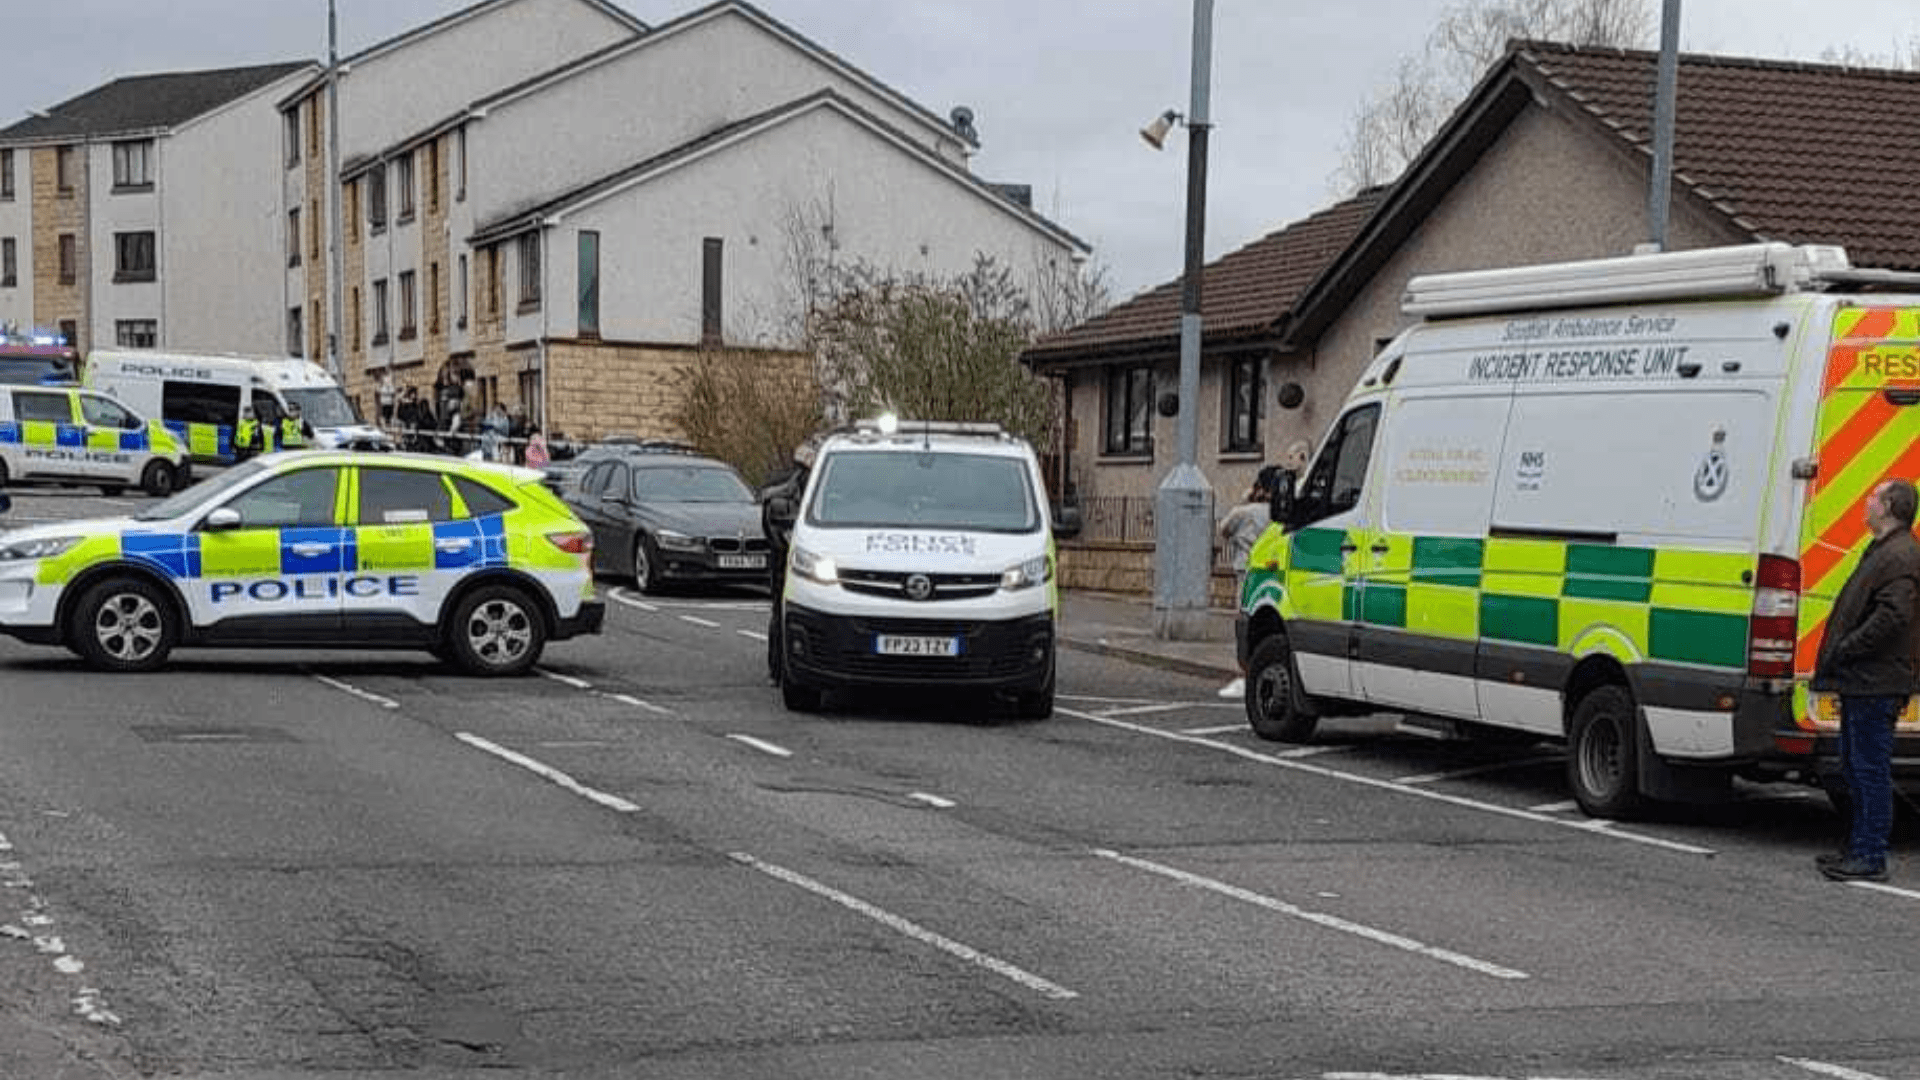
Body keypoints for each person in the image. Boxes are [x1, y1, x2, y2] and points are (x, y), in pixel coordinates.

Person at [1811, 477, 1920, 883]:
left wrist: (1849, 647)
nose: (1866, 501)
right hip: (1864, 680)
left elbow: (1894, 616)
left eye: (1873, 496)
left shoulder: (1900, 556)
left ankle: (1870, 855)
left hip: (1877, 680)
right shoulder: (1885, 551)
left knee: (1869, 769)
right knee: (1854, 767)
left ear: (1889, 506)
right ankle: (1857, 847)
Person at [759, 437, 818, 683]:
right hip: (786, 559)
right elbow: (777, 528)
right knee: (782, 611)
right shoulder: (786, 490)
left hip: (802, 559)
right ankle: (780, 669)